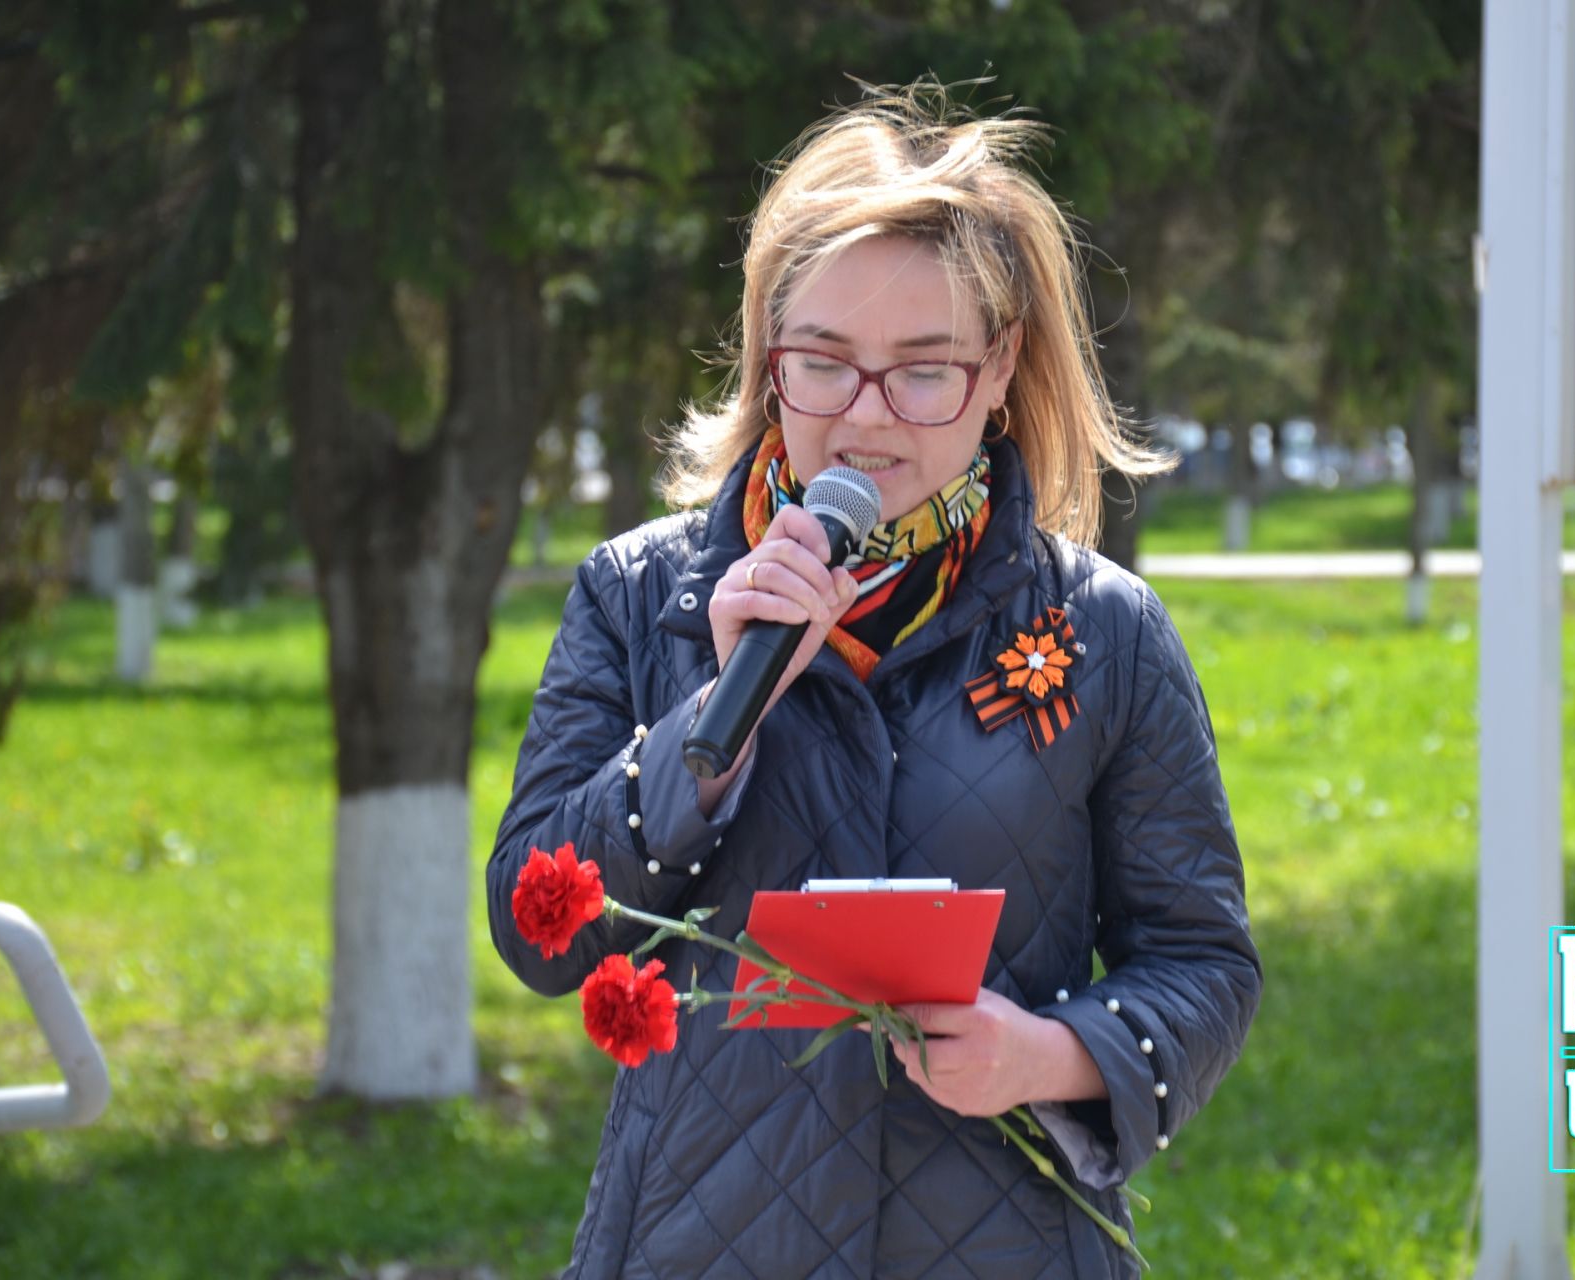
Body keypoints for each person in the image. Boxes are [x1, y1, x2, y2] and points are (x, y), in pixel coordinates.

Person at [486, 84, 1261, 1280]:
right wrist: (715, 718)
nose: (866, 420)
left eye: (923, 370)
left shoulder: (1103, 628)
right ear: (767, 358)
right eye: (826, 363)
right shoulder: (643, 595)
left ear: (999, 366)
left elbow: (1204, 964)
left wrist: (1048, 1053)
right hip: (696, 1245)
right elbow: (540, 930)